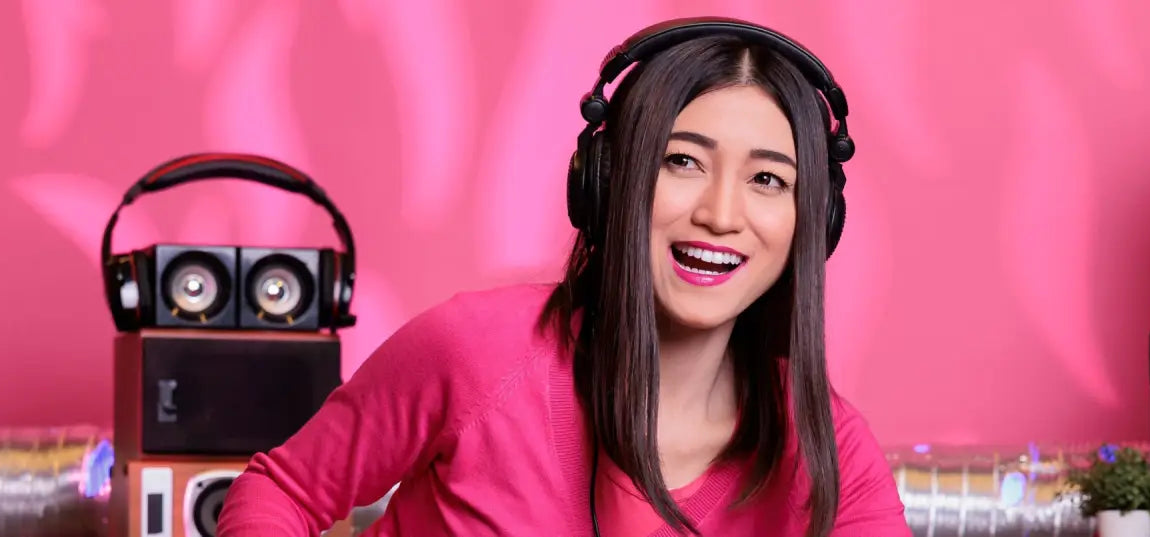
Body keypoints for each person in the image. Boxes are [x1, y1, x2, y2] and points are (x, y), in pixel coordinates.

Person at [219, 17, 912, 537]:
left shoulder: (830, 450)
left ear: (812, 222)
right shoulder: (475, 351)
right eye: (681, 162)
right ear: (607, 184)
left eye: (767, 179)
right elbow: (280, 490)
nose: (721, 214)